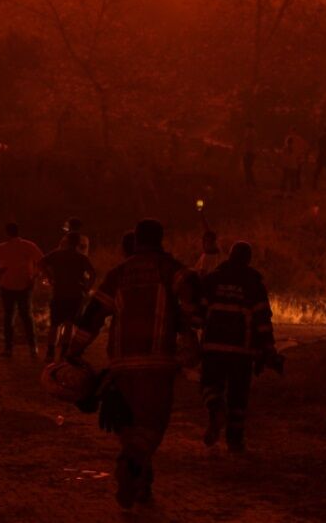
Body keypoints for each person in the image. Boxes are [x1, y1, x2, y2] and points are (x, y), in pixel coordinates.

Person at [67, 219, 197, 511]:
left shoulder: (118, 274)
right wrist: (190, 324)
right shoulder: (169, 269)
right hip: (157, 366)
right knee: (151, 426)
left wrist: (73, 351)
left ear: (136, 241)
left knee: (128, 426)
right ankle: (131, 469)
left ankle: (142, 483)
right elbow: (193, 292)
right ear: (161, 240)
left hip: (121, 367)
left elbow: (93, 315)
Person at [195, 241, 281, 452]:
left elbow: (198, 313)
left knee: (209, 385)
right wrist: (268, 349)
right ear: (248, 260)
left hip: (213, 347)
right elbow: (262, 321)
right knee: (238, 397)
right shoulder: (254, 284)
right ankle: (235, 441)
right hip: (242, 352)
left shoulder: (213, 280)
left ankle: (216, 409)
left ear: (230, 256)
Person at [0, 223, 44, 358]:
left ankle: (8, 348)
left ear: (7, 233)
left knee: (9, 317)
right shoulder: (28, 245)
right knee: (26, 316)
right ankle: (33, 347)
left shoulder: (2, 247)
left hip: (7, 285)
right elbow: (42, 260)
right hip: (25, 284)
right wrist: (35, 275)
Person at [38, 232, 96, 363]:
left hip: (59, 293)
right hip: (75, 294)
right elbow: (93, 273)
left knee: (54, 324)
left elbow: (40, 263)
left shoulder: (57, 254)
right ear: (77, 243)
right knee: (69, 324)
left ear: (67, 242)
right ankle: (64, 352)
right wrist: (87, 287)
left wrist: (49, 277)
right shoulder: (81, 257)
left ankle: (50, 352)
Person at [241, 122, 257, 187]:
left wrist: (245, 152)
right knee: (248, 168)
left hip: (249, 152)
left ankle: (251, 183)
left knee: (247, 168)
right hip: (251, 152)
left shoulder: (250, 134)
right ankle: (250, 183)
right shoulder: (253, 134)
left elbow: (248, 145)